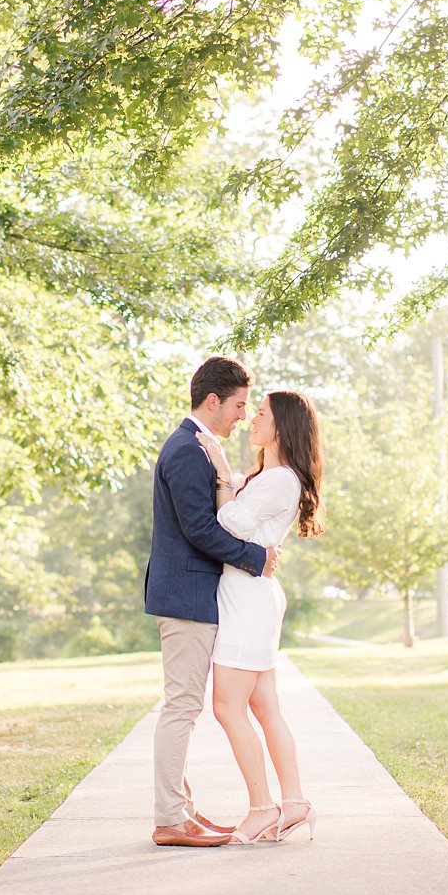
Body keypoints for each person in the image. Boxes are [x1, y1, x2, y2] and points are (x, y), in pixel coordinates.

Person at [143, 356, 281, 848]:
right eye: (240, 405)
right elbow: (199, 529)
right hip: (185, 596)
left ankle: (182, 810)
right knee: (181, 706)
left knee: (184, 704)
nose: (244, 416)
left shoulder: (200, 449)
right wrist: (255, 557)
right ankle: (170, 819)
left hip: (193, 595)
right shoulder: (185, 450)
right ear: (213, 400)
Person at [197, 390, 324, 845]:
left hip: (248, 601)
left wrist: (223, 478)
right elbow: (240, 522)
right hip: (250, 594)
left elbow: (227, 523)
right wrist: (234, 484)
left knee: (227, 707)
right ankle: (293, 804)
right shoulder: (270, 477)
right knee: (265, 707)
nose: (251, 418)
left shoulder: (279, 480)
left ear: (282, 426)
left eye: (262, 413)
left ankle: (261, 808)